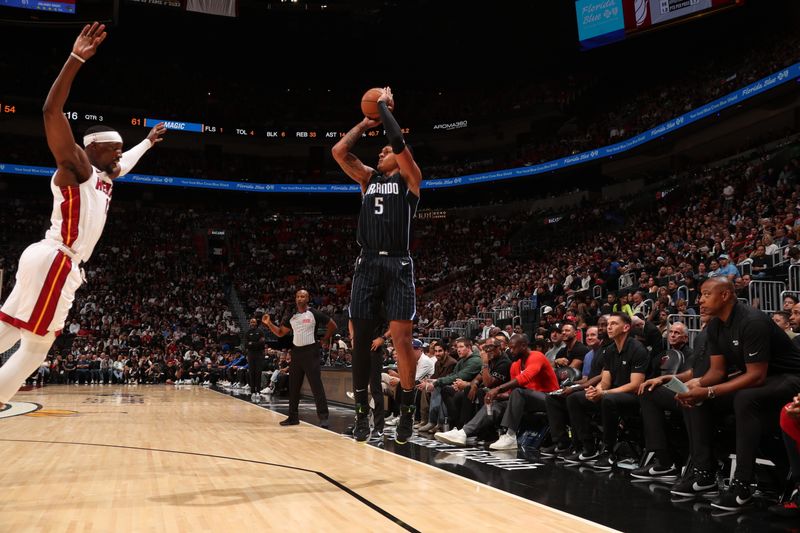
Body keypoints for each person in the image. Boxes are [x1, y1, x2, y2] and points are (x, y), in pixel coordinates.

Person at [0, 23, 166, 408]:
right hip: (58, 258)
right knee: (37, 345)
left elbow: (129, 162)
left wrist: (147, 142)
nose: (118, 156)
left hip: (50, 258)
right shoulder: (78, 167)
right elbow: (50, 111)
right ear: (91, 150)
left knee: (9, 326)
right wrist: (75, 59)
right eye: (113, 150)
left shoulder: (106, 177)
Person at [331, 86, 422, 443]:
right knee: (359, 340)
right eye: (380, 150)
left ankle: (408, 413)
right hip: (368, 263)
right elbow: (339, 151)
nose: (382, 152)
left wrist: (384, 109)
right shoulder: (368, 180)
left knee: (401, 341)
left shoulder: (411, 180)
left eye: (387, 151)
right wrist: (367, 121)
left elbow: (398, 141)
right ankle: (362, 417)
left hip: (398, 264)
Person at [673, 277, 800, 510]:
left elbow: (756, 376)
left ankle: (743, 484)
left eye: (706, 294)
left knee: (744, 397)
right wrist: (695, 384)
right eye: (700, 294)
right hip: (762, 378)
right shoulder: (714, 325)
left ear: (725, 295)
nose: (700, 300)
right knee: (693, 399)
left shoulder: (752, 320)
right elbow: (717, 372)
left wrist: (708, 391)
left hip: (789, 378)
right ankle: (704, 474)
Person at [262, 290, 337, 428]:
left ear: (308, 298)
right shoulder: (291, 316)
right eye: (297, 296)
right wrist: (268, 323)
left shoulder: (314, 313)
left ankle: (324, 417)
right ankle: (292, 417)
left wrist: (325, 339)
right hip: (296, 352)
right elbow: (279, 333)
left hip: (311, 351)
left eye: (302, 296)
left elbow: (332, 325)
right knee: (294, 386)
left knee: (316, 386)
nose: (299, 298)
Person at [244, 318, 266, 401]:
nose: (252, 323)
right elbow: (246, 344)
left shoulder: (260, 332)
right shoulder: (247, 332)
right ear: (249, 323)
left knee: (258, 373)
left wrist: (252, 343)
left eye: (254, 322)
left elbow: (262, 343)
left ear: (256, 323)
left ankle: (258, 391)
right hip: (251, 354)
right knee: (251, 372)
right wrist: (256, 343)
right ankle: (252, 391)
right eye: (251, 322)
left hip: (259, 354)